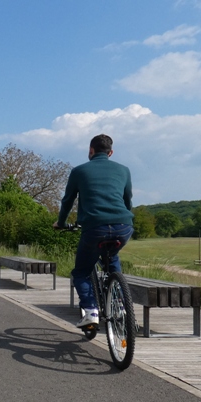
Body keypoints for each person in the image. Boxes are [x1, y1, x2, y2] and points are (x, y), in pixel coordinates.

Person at [53, 134, 134, 328]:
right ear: (110, 152)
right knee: (112, 258)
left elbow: (67, 201)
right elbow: (127, 200)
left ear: (91, 150)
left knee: (81, 271)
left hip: (95, 228)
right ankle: (121, 306)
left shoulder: (79, 171)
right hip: (123, 226)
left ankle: (90, 310)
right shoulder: (124, 170)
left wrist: (61, 223)